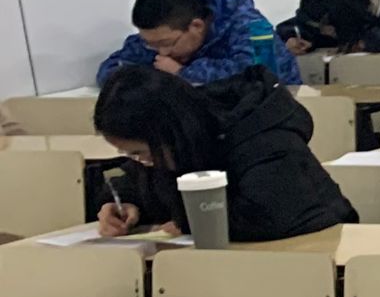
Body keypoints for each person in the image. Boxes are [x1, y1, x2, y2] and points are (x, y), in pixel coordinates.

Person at [92, 64, 354, 241]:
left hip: (315, 249)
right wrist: (124, 204)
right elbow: (139, 183)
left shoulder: (264, 139)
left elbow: (268, 217)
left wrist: (188, 221)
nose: (142, 162)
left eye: (140, 152)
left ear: (169, 134)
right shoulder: (177, 141)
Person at [99, 0, 299, 87]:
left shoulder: (249, 26)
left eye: (167, 44)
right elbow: (111, 70)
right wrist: (152, 76)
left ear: (196, 26)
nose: (162, 53)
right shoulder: (162, 35)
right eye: (152, 45)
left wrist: (182, 73)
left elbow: (259, 77)